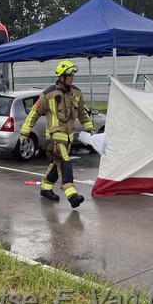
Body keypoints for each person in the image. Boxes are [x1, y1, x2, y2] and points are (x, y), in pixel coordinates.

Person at [19, 60, 95, 209]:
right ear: (61, 77)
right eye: (69, 75)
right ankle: (72, 195)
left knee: (57, 163)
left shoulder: (77, 93)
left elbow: (83, 114)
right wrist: (24, 132)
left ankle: (46, 189)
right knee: (65, 162)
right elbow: (34, 113)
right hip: (54, 139)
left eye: (73, 75)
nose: (72, 78)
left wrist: (90, 130)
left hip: (68, 139)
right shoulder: (48, 94)